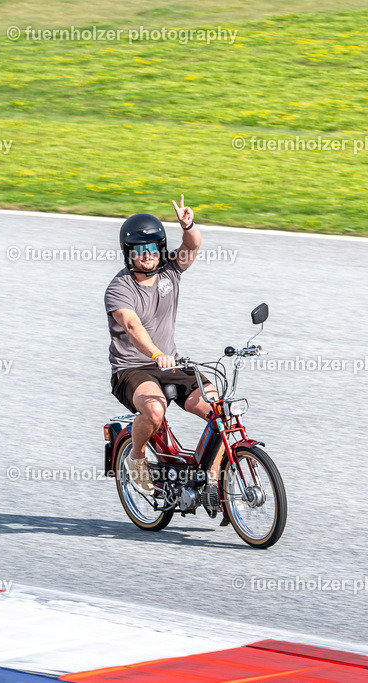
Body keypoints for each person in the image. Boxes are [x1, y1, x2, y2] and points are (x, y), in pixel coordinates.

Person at [104, 196, 222, 510]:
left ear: (160, 248)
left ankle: (211, 479)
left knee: (220, 410)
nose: (147, 255)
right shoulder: (120, 288)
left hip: (170, 363)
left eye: (153, 248)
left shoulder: (170, 271)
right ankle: (137, 457)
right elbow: (131, 325)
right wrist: (156, 354)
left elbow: (192, 247)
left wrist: (189, 226)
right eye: (140, 250)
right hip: (132, 369)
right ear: (129, 254)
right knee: (155, 411)